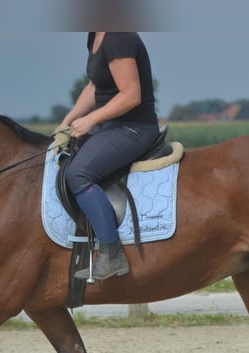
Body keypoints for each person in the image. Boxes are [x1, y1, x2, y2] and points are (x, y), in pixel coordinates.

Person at [58, 32, 160, 281]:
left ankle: (111, 254)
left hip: (133, 128)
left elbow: (131, 95)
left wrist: (90, 119)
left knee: (78, 174)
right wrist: (66, 123)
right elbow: (95, 87)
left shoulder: (117, 36)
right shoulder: (95, 35)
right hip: (109, 127)